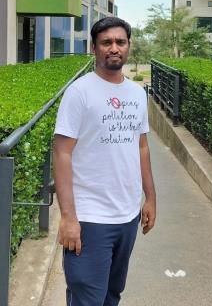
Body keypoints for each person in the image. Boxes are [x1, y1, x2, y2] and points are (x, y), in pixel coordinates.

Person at [53, 16, 156, 306]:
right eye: (106, 42)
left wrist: (150, 198)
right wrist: (68, 218)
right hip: (90, 218)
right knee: (87, 298)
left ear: (128, 46)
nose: (114, 48)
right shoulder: (79, 92)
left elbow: (142, 147)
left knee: (112, 295)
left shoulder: (137, 94)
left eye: (120, 42)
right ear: (94, 47)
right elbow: (61, 153)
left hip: (127, 216)